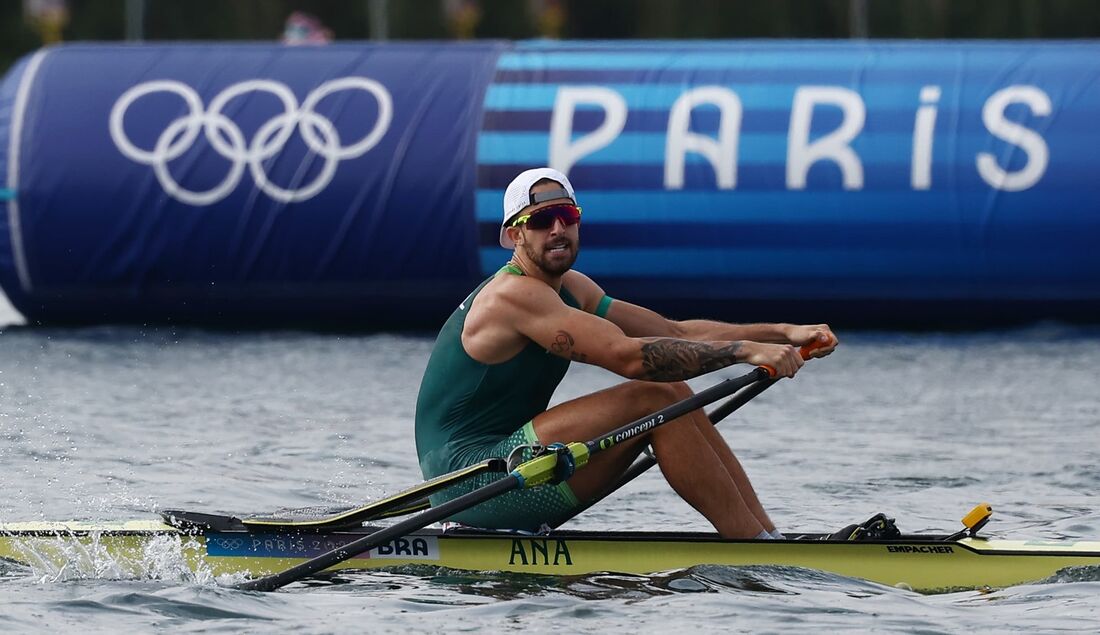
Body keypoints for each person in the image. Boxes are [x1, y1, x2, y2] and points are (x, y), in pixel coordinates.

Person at [415, 167, 837, 538]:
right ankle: (756, 549)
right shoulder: (512, 296)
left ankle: (765, 536)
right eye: (542, 220)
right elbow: (629, 358)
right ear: (513, 234)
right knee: (648, 395)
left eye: (568, 216)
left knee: (672, 389)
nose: (558, 229)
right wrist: (746, 352)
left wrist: (783, 332)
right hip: (470, 482)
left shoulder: (573, 288)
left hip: (514, 465)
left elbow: (672, 331)